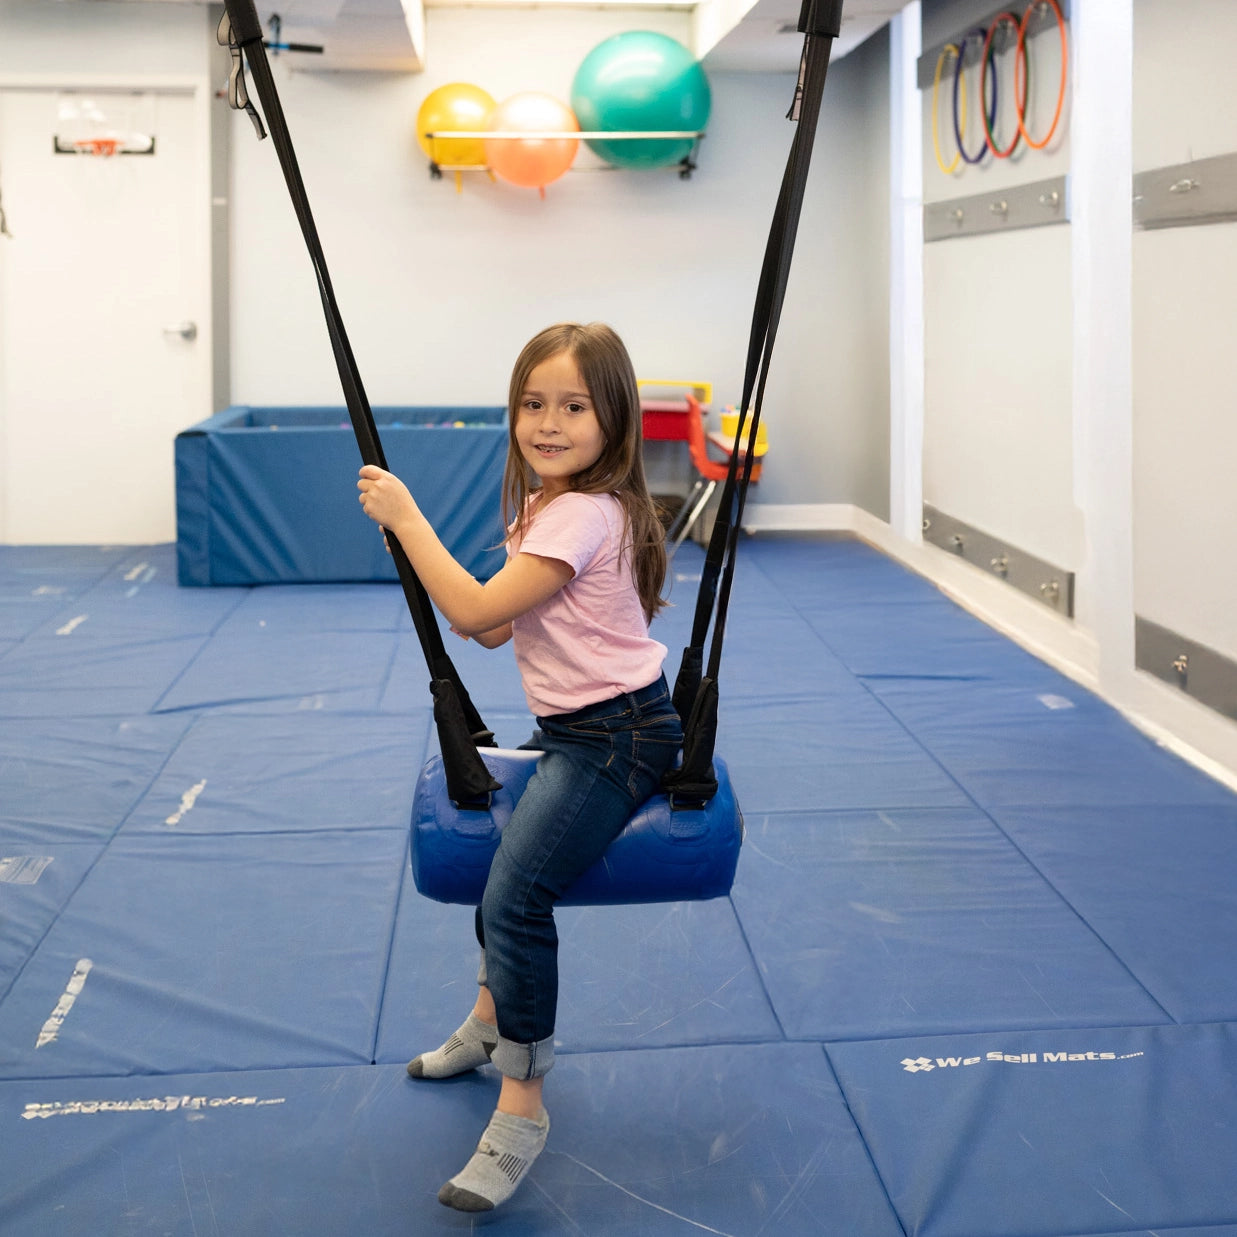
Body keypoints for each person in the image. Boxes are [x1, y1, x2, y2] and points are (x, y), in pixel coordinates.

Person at [357, 322, 683, 1212]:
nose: (547, 422)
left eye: (573, 406)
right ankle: (488, 1018)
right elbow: (499, 623)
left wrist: (409, 521)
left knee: (514, 893)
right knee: (500, 868)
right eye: (532, 404)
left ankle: (522, 1102)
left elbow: (471, 615)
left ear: (614, 420)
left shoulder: (580, 512)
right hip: (576, 727)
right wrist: (424, 558)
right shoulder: (545, 507)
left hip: (620, 735)